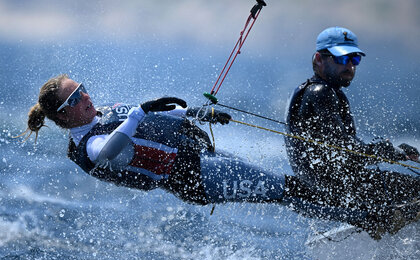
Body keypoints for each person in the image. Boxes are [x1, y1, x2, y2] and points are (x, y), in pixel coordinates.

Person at [22, 74, 288, 206]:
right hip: (194, 177)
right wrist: (140, 111)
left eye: (82, 90)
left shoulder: (102, 113)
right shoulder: (89, 146)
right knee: (284, 190)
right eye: (76, 99)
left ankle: (325, 208)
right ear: (64, 115)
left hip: (200, 157)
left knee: (283, 187)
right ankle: (328, 206)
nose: (87, 97)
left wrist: (194, 112)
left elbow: (152, 118)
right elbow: (107, 152)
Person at [285, 26, 420, 236]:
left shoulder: (323, 91)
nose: (349, 66)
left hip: (339, 183)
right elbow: (343, 149)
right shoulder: (320, 92)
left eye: (354, 59)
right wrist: (387, 150)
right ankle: (385, 227)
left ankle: (383, 222)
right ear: (319, 59)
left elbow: (342, 150)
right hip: (331, 189)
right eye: (341, 59)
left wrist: (392, 150)